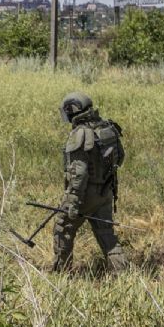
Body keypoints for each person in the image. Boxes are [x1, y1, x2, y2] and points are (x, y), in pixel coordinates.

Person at [52, 92, 129, 272]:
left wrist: (72, 203)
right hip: (106, 191)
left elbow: (78, 175)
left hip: (86, 193)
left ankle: (60, 274)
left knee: (62, 227)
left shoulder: (81, 134)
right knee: (106, 234)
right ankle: (123, 274)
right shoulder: (107, 127)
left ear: (72, 110)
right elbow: (120, 158)